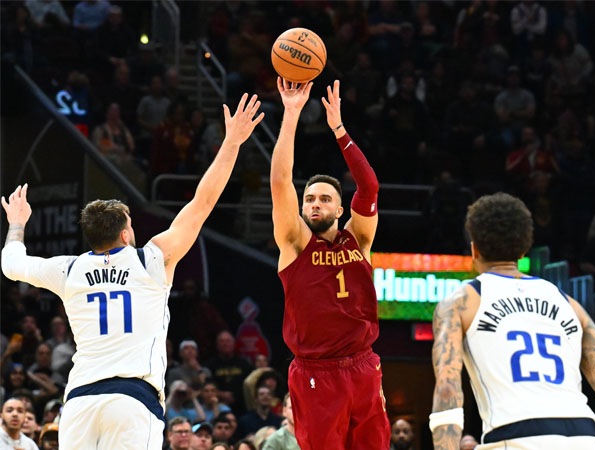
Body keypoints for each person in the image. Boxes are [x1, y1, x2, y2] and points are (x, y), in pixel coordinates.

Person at [1, 93, 264, 450]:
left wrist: (17, 224)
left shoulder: (70, 269)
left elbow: (11, 265)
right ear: (125, 233)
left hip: (78, 403)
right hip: (131, 398)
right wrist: (232, 142)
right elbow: (202, 203)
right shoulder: (151, 259)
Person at [270, 78, 390, 449]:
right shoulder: (293, 243)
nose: (315, 204)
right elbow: (279, 181)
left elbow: (368, 187)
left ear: (340, 209)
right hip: (315, 373)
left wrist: (338, 129)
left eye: (324, 199)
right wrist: (291, 115)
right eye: (309, 200)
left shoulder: (359, 238)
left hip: (363, 365)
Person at [430, 193, 595, 449]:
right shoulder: (567, 301)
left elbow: (447, 389)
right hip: (583, 435)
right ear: (523, 250)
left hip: (515, 432)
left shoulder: (460, 301)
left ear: (474, 249)